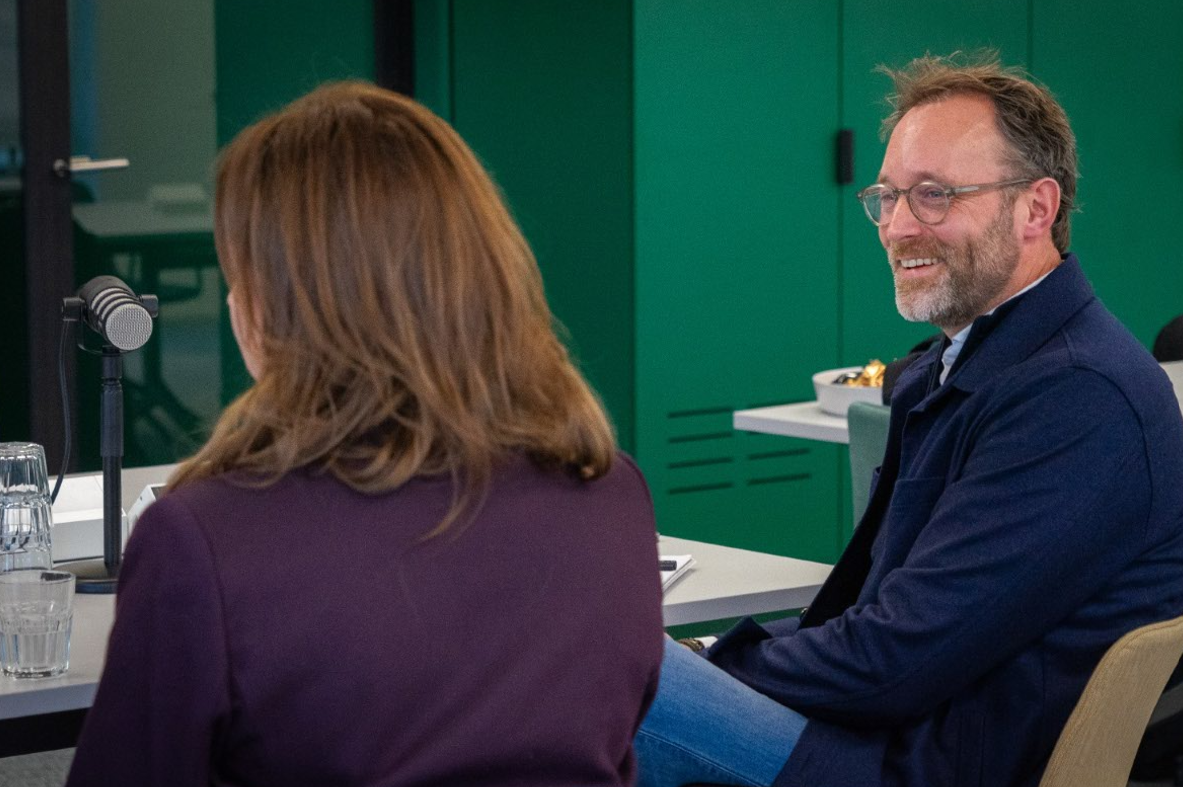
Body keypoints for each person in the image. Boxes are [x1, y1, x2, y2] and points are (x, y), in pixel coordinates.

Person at [66, 82, 663, 787]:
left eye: (240, 274)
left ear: (276, 307)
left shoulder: (205, 542)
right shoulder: (610, 493)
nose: (231, 300)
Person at [635, 53, 1183, 787]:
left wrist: (708, 665)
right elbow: (878, 622)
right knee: (611, 667)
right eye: (887, 196)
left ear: (1036, 208)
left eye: (933, 195)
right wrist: (709, 656)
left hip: (921, 761)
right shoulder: (969, 366)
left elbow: (891, 660)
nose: (896, 226)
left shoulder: (1077, 395)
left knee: (608, 682)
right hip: (889, 732)